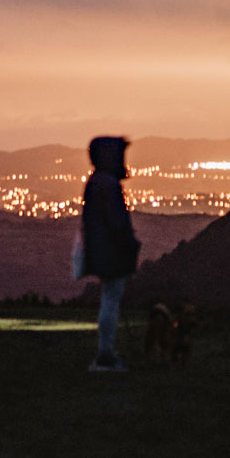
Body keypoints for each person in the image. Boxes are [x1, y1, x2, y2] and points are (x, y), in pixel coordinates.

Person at [80, 135, 140, 372]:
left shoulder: (96, 182)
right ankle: (106, 355)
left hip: (102, 250)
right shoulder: (109, 185)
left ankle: (106, 352)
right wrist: (129, 244)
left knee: (109, 299)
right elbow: (118, 223)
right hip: (112, 252)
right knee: (111, 301)